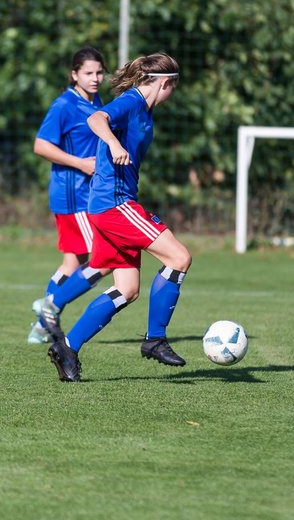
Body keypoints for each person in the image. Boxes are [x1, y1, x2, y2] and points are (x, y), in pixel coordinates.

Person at [43, 53, 192, 382]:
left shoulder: (144, 109)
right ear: (165, 84)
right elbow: (98, 119)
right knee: (179, 257)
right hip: (114, 204)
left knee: (126, 289)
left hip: (108, 205)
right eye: (173, 89)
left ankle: (67, 347)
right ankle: (155, 339)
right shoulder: (132, 101)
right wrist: (112, 143)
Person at [27, 47, 112, 343]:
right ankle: (48, 309)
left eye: (99, 72)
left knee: (72, 264)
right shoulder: (64, 105)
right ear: (74, 74)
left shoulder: (95, 101)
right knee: (102, 256)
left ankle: (41, 326)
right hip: (73, 195)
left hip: (85, 194)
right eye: (88, 73)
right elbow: (41, 145)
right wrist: (80, 164)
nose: (95, 78)